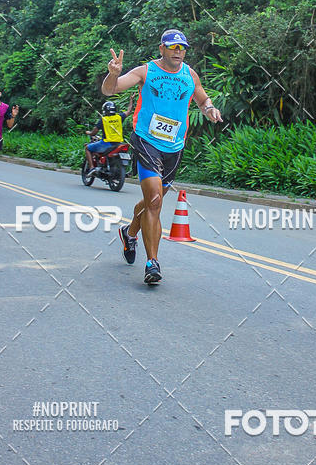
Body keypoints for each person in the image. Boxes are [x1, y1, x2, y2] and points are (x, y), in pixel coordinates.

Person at [101, 29, 222, 285]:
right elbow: (111, 91)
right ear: (162, 49)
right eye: (173, 47)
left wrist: (210, 108)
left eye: (182, 48)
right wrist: (113, 75)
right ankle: (152, 263)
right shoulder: (146, 71)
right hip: (147, 140)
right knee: (155, 202)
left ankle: (129, 232)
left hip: (174, 147)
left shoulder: (190, 74)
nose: (178, 52)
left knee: (150, 201)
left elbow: (202, 98)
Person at [85, 95, 134, 176]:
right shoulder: (119, 117)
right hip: (118, 144)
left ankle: (91, 167)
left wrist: (89, 133)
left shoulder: (103, 120)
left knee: (87, 148)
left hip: (107, 144)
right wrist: (131, 100)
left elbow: (94, 132)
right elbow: (129, 111)